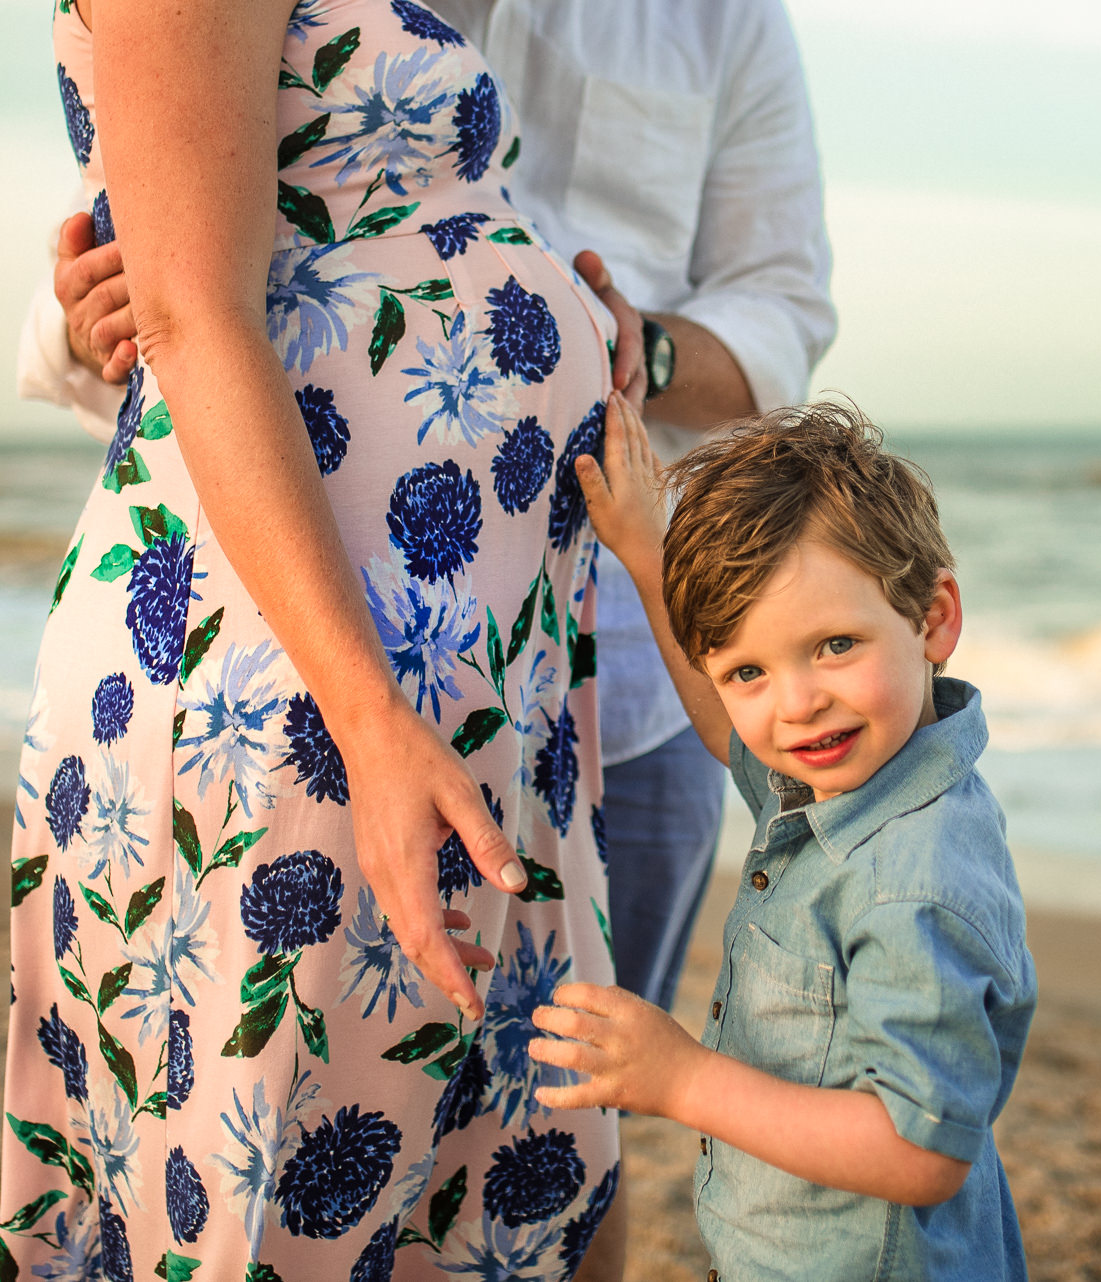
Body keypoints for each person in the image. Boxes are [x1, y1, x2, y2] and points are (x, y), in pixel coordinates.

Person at [19, 0, 837, 1020]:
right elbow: (174, 249)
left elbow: (785, 310)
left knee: (587, 1097)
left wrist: (633, 342)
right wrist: (91, 301)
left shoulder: (722, 19)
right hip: (308, 629)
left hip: (626, 662)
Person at [3, 1, 620, 1276]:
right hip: (296, 692)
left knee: (484, 1196)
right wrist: (373, 720)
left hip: (477, 673)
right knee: (278, 1204)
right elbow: (191, 316)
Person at [532, 395, 1037, 1279]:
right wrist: (652, 560)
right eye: (749, 670)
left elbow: (917, 1151)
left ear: (935, 619)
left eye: (835, 644)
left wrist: (683, 1080)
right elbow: (732, 733)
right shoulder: (849, 773)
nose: (796, 705)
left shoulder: (915, 875)